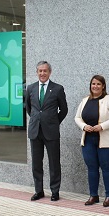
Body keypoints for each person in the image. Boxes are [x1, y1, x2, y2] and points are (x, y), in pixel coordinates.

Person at [74, 75, 109, 207]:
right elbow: (77, 117)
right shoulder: (85, 100)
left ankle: (108, 196)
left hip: (106, 141)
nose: (95, 86)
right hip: (88, 139)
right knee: (92, 168)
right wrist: (84, 126)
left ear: (103, 86)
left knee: (107, 168)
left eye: (98, 84)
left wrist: (102, 126)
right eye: (93, 84)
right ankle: (93, 195)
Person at [26, 61, 68, 202]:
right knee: (36, 163)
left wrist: (53, 122)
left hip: (51, 131)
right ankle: (39, 191)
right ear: (36, 72)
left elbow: (64, 109)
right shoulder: (31, 88)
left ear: (50, 72)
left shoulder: (57, 89)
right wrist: (37, 120)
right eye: (40, 71)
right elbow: (29, 108)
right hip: (35, 131)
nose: (42, 73)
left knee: (54, 163)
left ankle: (55, 191)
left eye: (45, 71)